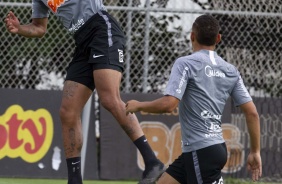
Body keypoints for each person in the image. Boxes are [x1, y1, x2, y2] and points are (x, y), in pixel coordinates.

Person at [4, 1, 164, 184]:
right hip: (81, 41)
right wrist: (20, 28)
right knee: (68, 111)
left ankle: (152, 162)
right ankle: (74, 180)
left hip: (102, 29)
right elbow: (39, 28)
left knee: (109, 99)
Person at [126, 14, 262, 184]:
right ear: (218, 38)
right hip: (210, 149)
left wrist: (139, 105)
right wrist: (255, 151)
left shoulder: (186, 64)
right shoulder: (230, 70)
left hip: (201, 151)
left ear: (192, 36)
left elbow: (169, 104)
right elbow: (252, 113)